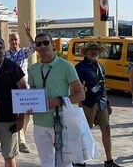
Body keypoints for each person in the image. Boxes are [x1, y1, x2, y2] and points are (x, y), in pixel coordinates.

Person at [28, 33, 85, 167]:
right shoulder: (33, 69)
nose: (42, 46)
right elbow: (33, 93)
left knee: (65, 162)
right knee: (46, 162)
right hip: (40, 122)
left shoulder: (66, 66)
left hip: (61, 121)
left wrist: (58, 101)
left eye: (46, 43)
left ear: (53, 45)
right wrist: (29, 106)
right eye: (39, 44)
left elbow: (80, 94)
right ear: (36, 48)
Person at [74, 41, 120, 167]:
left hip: (102, 102)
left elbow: (103, 86)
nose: (94, 52)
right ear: (86, 52)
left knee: (107, 130)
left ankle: (109, 160)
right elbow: (76, 87)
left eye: (96, 50)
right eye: (91, 50)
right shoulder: (80, 67)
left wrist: (109, 103)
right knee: (84, 131)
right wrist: (79, 101)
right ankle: (79, 159)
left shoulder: (101, 67)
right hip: (87, 103)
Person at [0, 36, 26, 167]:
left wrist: (21, 119)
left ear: (4, 49)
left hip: (8, 119)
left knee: (9, 155)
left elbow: (23, 92)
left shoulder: (12, 66)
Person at [5, 22, 35, 153]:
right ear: (9, 41)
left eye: (15, 39)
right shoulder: (5, 54)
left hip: (23, 88)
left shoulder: (23, 52)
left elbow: (34, 47)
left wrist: (29, 35)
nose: (13, 41)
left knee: (26, 115)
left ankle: (20, 139)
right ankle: (20, 141)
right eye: (11, 39)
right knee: (15, 115)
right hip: (10, 89)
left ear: (19, 40)